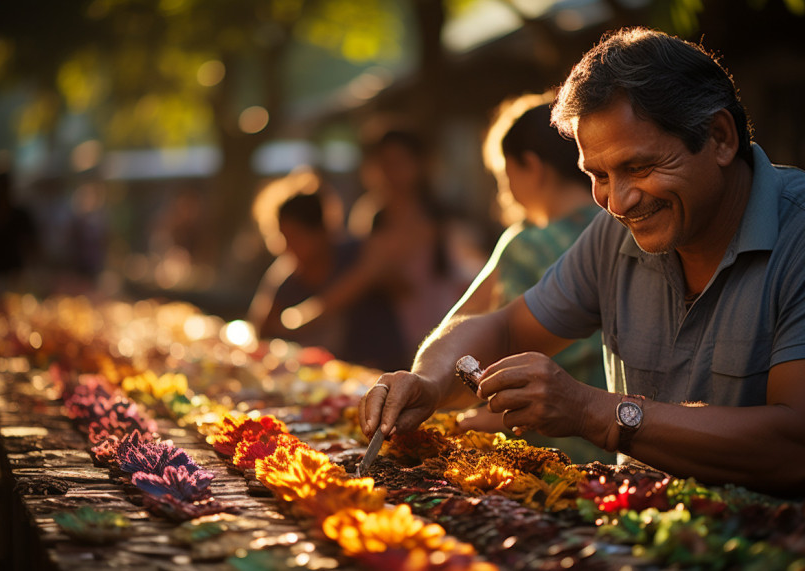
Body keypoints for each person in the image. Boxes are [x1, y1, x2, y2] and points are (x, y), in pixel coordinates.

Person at [359, 27, 805, 519]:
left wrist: (592, 410)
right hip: (646, 538)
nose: (618, 200)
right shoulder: (616, 233)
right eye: (598, 175)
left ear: (721, 138)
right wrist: (428, 382)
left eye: (640, 167)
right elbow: (501, 329)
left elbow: (799, 450)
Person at [447, 94, 610, 462]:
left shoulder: (527, 244)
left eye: (506, 177)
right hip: (628, 444)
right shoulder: (624, 230)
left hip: (554, 452)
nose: (505, 193)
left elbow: (463, 332)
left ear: (532, 167)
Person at [283, 130, 472, 359]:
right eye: (383, 163)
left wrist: (300, 319)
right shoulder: (370, 217)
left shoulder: (446, 223)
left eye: (399, 162)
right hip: (388, 347)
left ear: (420, 165)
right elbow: (361, 278)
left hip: (442, 341)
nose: (390, 173)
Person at [247, 168, 407, 371]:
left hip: (378, 369)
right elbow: (260, 332)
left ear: (321, 231)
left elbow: (402, 285)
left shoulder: (356, 256)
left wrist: (364, 278)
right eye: (282, 238)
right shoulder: (286, 276)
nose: (288, 247)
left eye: (296, 237)